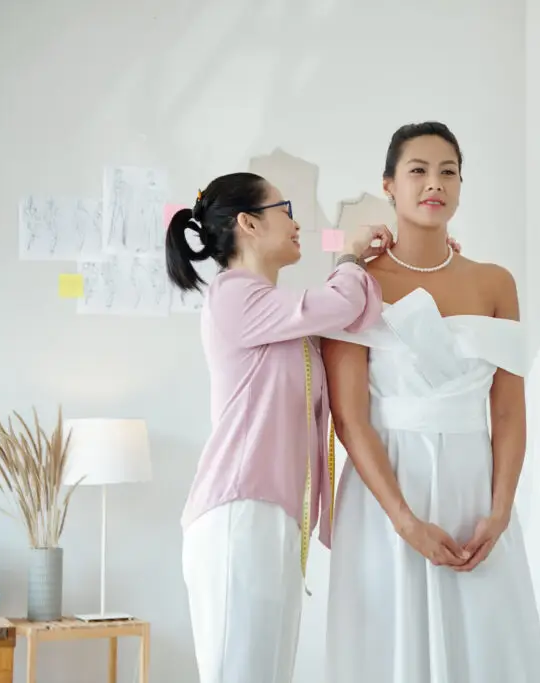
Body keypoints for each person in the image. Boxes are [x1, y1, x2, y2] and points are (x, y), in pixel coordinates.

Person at [320, 122, 540, 682]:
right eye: (418, 170)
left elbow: (509, 410)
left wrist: (500, 509)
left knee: (487, 645)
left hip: (474, 488)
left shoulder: (496, 282)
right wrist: (404, 520)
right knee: (390, 651)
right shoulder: (357, 283)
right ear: (389, 185)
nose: (434, 183)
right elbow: (350, 419)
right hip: (387, 495)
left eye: (448, 171)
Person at [165, 171, 392, 683]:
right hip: (239, 514)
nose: (296, 223)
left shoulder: (279, 316)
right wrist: (351, 258)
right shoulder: (233, 296)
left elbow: (355, 317)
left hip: (273, 519)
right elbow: (343, 303)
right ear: (248, 223)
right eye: (284, 209)